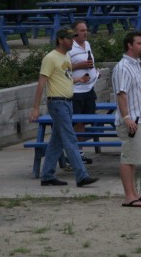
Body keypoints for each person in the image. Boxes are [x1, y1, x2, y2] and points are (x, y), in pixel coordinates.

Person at [28, 28, 99, 188]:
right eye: (69, 39)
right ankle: (81, 175)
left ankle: (47, 175)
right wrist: (35, 108)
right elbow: (41, 83)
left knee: (57, 141)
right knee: (70, 138)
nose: (72, 41)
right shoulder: (50, 58)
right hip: (57, 103)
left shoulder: (65, 56)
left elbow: (63, 78)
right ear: (60, 40)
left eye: (73, 38)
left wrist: (78, 80)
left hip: (67, 102)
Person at [112, 32, 141, 208]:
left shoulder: (135, 65)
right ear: (129, 45)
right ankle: (128, 196)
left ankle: (134, 193)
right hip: (132, 120)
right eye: (139, 43)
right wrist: (127, 118)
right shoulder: (123, 67)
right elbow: (122, 93)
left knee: (134, 158)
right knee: (128, 157)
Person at [69, 21, 97, 165]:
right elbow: (63, 69)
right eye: (82, 30)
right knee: (74, 123)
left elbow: (90, 62)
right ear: (74, 33)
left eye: (86, 30)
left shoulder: (87, 45)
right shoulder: (69, 48)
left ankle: (79, 152)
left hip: (88, 89)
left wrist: (95, 73)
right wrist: (80, 65)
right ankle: (70, 154)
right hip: (76, 91)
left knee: (83, 122)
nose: (85, 33)